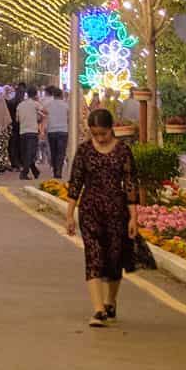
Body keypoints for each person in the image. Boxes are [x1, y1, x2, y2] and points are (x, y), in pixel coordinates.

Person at [65, 108, 141, 327]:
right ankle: (98, 310)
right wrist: (69, 215)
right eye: (95, 134)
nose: (99, 138)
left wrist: (133, 217)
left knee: (114, 259)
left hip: (117, 212)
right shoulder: (84, 151)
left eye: (103, 134)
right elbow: (75, 183)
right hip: (90, 211)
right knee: (94, 257)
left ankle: (110, 301)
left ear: (111, 129)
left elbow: (130, 185)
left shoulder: (123, 151)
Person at [43, 85, 72, 179]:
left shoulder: (48, 105)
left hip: (51, 131)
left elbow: (44, 113)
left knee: (53, 151)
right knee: (61, 152)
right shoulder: (66, 105)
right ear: (61, 95)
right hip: (63, 131)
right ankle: (59, 171)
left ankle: (55, 170)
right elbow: (69, 118)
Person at [16, 88, 44, 180]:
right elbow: (45, 111)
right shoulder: (36, 104)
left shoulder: (20, 105)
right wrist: (38, 116)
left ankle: (35, 171)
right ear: (35, 95)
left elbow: (17, 119)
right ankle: (24, 172)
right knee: (30, 153)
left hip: (22, 131)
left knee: (26, 153)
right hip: (32, 131)